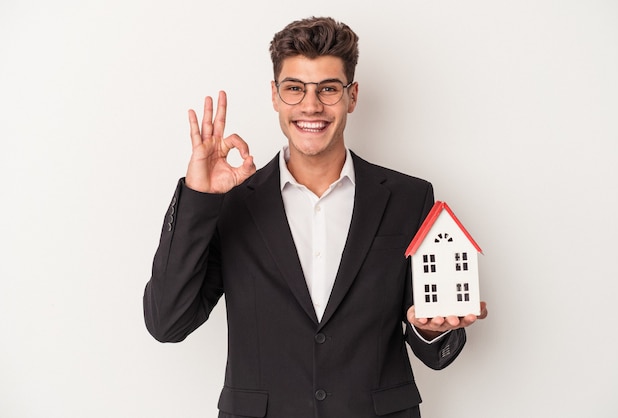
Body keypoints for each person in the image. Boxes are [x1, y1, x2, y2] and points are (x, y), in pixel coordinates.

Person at [144, 16, 487, 418]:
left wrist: (433, 330)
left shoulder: (409, 198)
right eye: (294, 89)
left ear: (352, 96)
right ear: (274, 96)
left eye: (328, 89)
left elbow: (435, 345)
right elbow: (167, 322)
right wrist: (198, 197)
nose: (311, 105)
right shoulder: (233, 203)